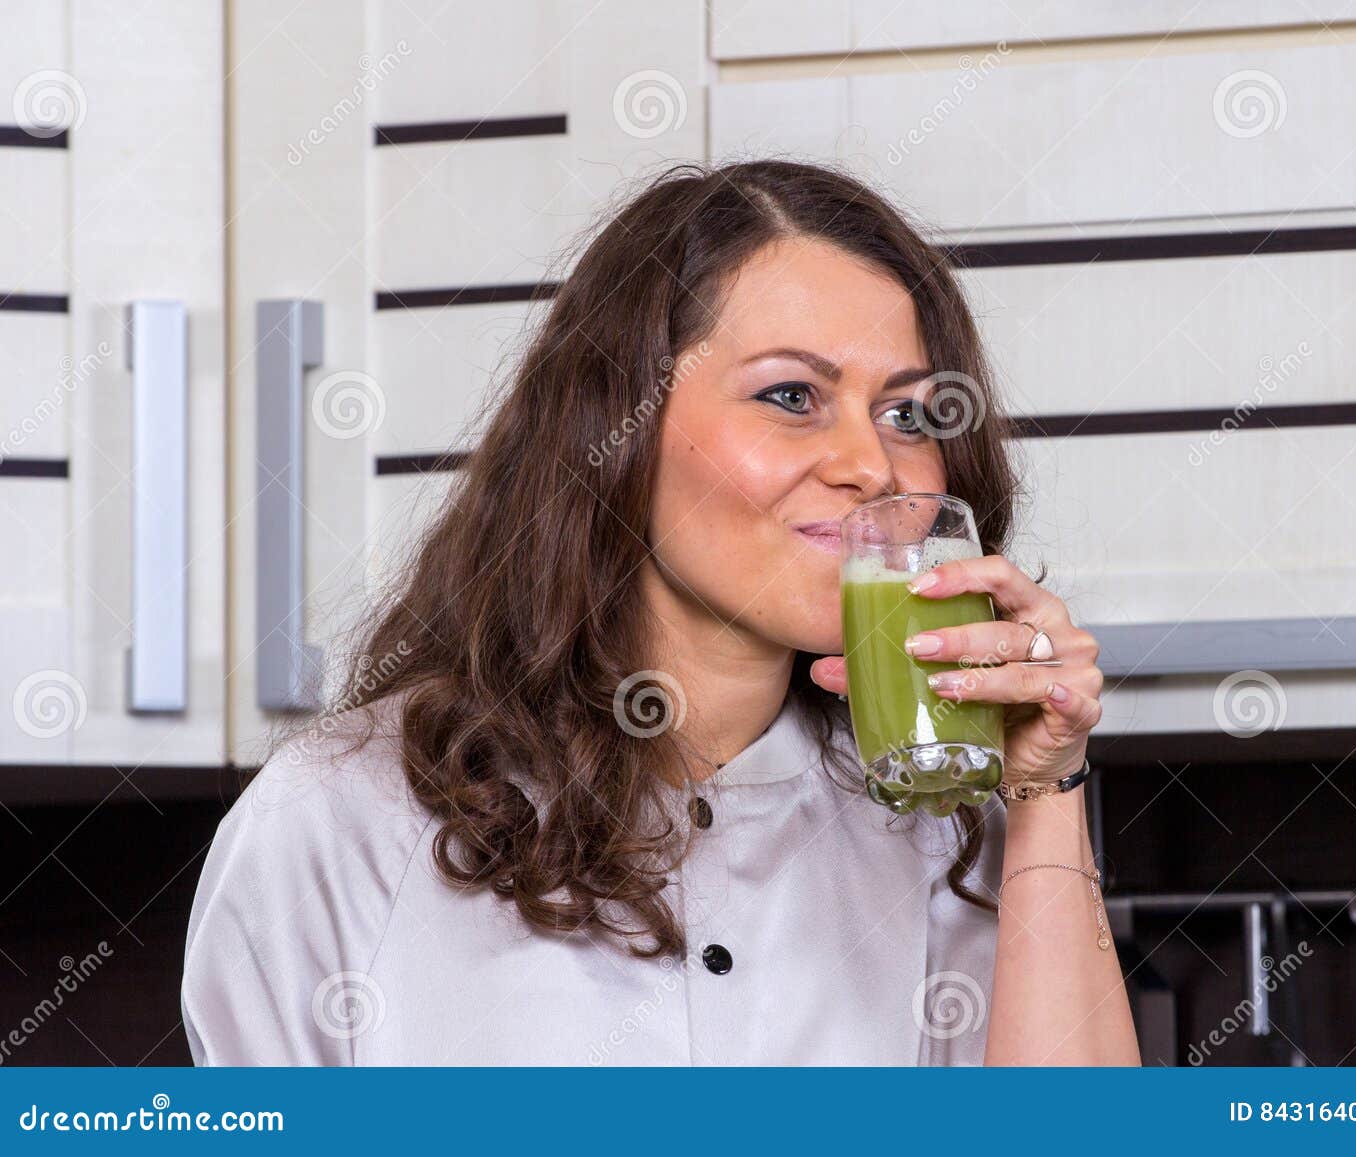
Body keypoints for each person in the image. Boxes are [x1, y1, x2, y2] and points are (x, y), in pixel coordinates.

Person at [180, 159, 1140, 1066]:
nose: (871, 465)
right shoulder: (340, 820)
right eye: (792, 395)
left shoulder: (943, 827)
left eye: (908, 414)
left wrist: (1046, 793)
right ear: (619, 425)